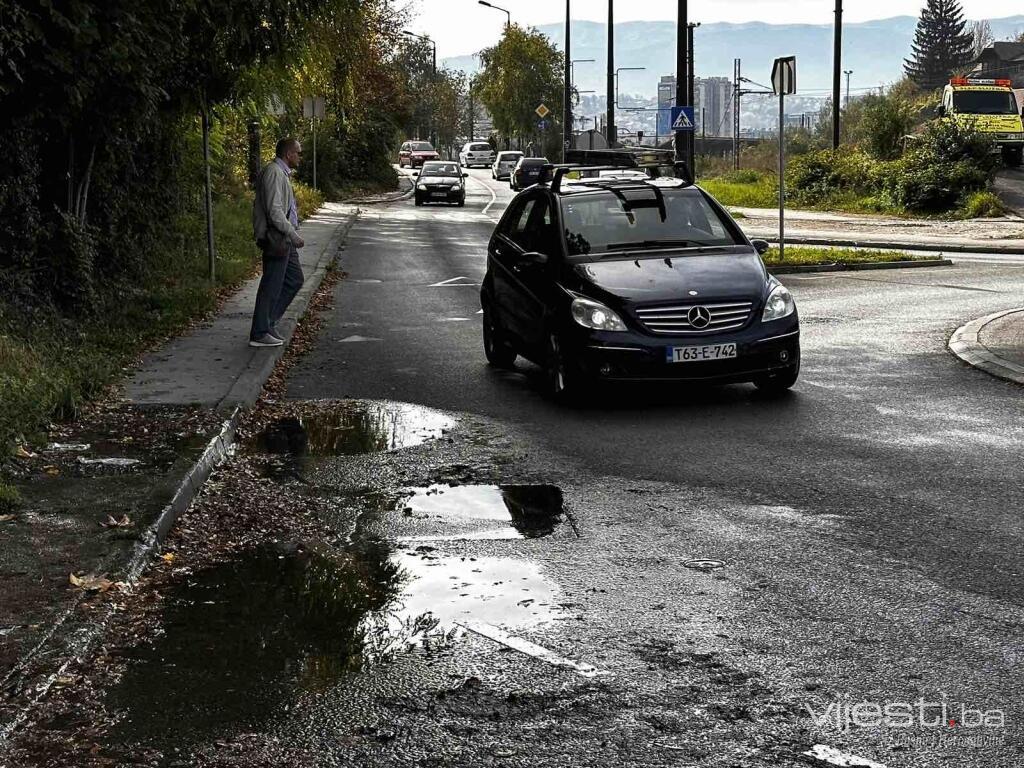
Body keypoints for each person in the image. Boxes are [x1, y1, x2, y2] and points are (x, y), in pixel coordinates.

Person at [250, 137, 306, 347]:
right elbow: (274, 211)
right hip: (277, 238)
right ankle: (260, 332)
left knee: (294, 280)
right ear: (288, 154)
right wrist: (292, 234)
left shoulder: (280, 173)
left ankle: (269, 322)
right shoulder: (273, 173)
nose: (300, 156)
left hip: (283, 239)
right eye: (298, 152)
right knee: (271, 285)